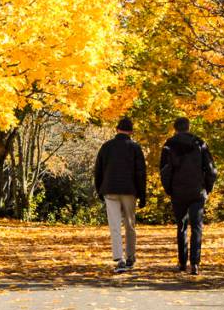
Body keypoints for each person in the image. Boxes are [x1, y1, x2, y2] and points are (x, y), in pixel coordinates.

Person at [160, 117, 217, 275]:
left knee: (181, 226)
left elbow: (165, 170)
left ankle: (182, 262)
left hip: (178, 191)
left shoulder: (169, 145)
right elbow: (211, 169)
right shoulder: (199, 143)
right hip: (197, 190)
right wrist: (207, 187)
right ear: (188, 127)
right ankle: (195, 263)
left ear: (175, 128)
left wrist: (169, 189)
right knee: (197, 226)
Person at [93, 117, 147, 273]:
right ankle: (130, 256)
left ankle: (119, 258)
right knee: (130, 225)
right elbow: (140, 173)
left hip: (109, 189)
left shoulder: (106, 147)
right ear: (131, 132)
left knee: (115, 225)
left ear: (117, 129)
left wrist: (99, 189)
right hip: (129, 190)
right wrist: (142, 195)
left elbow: (98, 170)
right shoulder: (135, 148)